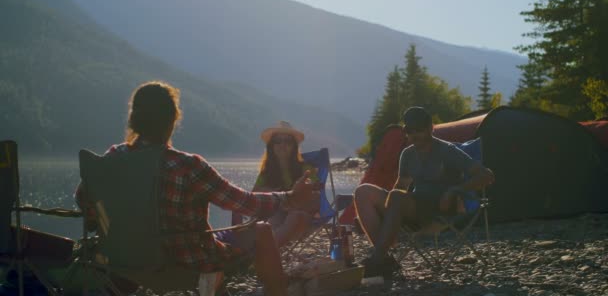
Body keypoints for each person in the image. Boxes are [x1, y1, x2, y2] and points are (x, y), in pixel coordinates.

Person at [75, 81, 319, 296]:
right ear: (173, 120)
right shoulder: (187, 166)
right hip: (185, 264)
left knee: (230, 235)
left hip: (120, 262)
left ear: (133, 119)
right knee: (263, 231)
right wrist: (290, 197)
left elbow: (85, 200)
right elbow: (245, 203)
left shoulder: (112, 158)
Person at [354, 106, 495, 278]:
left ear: (430, 128)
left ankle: (377, 259)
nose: (414, 135)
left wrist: (456, 189)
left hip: (440, 209)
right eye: (409, 130)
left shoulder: (447, 151)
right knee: (363, 192)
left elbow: (486, 175)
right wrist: (382, 210)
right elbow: (401, 187)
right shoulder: (407, 154)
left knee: (396, 197)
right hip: (415, 207)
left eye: (419, 129)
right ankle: (384, 258)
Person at [252, 121, 319, 247]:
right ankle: (266, 253)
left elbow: (316, 196)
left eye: (288, 141)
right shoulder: (267, 173)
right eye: (278, 141)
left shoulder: (306, 169)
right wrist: (280, 197)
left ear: (294, 146)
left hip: (301, 217)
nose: (282, 144)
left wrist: (292, 203)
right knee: (270, 220)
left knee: (294, 216)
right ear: (271, 146)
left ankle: (263, 254)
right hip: (277, 216)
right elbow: (254, 194)